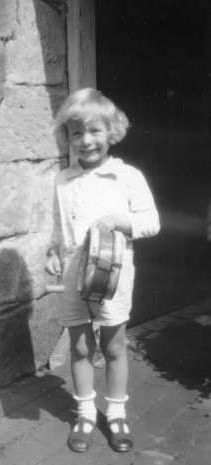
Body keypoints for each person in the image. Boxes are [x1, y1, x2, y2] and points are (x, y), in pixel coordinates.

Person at [45, 88, 160, 453]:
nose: (86, 140)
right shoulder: (63, 180)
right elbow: (57, 227)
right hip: (74, 276)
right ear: (67, 138)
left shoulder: (126, 176)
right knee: (80, 347)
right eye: (76, 133)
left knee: (113, 346)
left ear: (111, 132)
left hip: (112, 276)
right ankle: (83, 413)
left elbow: (152, 222)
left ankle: (115, 414)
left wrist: (120, 221)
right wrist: (52, 251)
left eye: (94, 131)